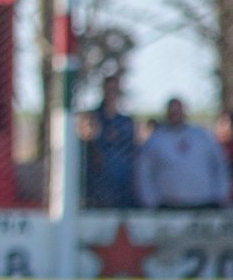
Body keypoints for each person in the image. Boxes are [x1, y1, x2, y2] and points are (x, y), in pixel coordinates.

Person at [135, 97, 229, 210]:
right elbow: (144, 172)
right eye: (173, 111)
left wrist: (221, 194)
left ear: (185, 112)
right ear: (167, 113)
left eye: (179, 110)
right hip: (168, 206)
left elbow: (219, 165)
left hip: (204, 204)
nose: (176, 114)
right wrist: (151, 200)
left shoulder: (202, 136)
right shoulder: (156, 140)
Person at [80, 74, 137, 209]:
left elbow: (132, 151)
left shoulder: (126, 122)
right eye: (109, 89)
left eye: (115, 89)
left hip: (123, 188)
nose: (112, 93)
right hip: (97, 189)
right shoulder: (93, 118)